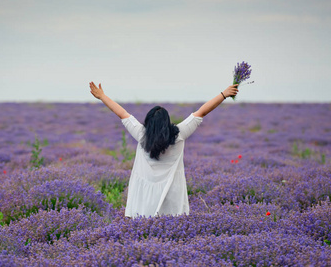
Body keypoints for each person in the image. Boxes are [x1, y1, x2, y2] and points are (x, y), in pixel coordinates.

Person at [89, 82, 239, 218]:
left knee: (143, 231)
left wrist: (102, 96)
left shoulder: (141, 134)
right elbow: (202, 112)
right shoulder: (179, 134)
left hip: (144, 196)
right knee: (172, 231)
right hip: (172, 193)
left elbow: (122, 113)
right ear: (167, 121)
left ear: (148, 122)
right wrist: (223, 95)